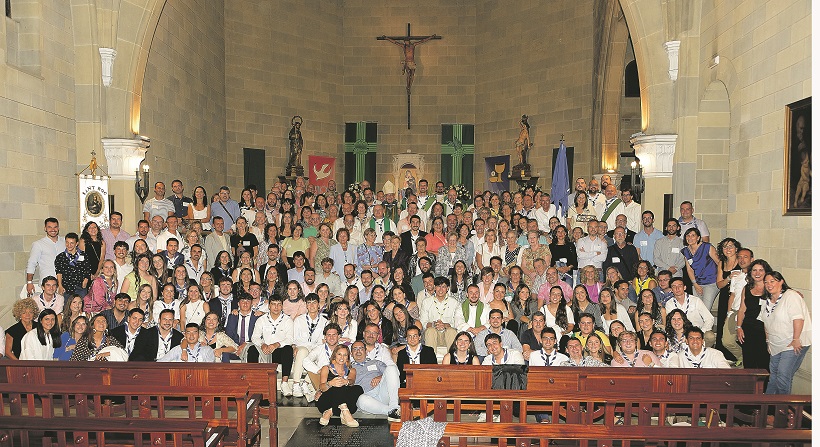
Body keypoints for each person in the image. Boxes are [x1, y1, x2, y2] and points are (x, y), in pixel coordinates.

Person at [758, 271, 812, 394]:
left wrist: (796, 339)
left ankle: (782, 408)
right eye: (766, 282)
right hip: (776, 343)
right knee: (773, 375)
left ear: (781, 281)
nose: (769, 284)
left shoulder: (791, 295)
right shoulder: (766, 300)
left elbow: (798, 318)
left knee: (783, 375)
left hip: (793, 342)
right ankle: (768, 406)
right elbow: (766, 323)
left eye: (772, 281)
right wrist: (768, 341)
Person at [248, 296, 295, 395]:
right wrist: (263, 344)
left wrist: (277, 344)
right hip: (265, 351)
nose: (276, 307)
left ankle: (284, 383)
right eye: (273, 304)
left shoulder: (287, 320)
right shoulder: (261, 319)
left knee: (288, 349)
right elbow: (255, 337)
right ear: (269, 306)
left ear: (282, 306)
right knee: (252, 349)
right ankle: (253, 382)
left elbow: (290, 339)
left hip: (279, 351)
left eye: (279, 304)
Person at [736, 259, 772, 372]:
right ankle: (750, 388)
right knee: (749, 361)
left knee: (763, 362)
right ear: (750, 272)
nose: (757, 273)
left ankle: (763, 389)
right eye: (754, 270)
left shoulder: (771, 288)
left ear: (766, 272)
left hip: (765, 330)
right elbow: (742, 309)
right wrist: (739, 327)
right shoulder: (746, 288)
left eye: (761, 270)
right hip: (749, 328)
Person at [316, 344, 363, 427]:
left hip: (344, 404)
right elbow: (322, 388)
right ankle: (345, 412)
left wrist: (346, 382)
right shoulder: (326, 368)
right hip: (327, 402)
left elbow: (352, 381)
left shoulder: (352, 370)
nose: (342, 357)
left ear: (348, 357)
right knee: (337, 385)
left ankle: (331, 411)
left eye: (345, 355)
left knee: (358, 388)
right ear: (334, 355)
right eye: (339, 354)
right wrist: (330, 383)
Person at [665, 277, 715, 346]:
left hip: (697, 330)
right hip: (679, 333)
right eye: (674, 286)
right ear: (671, 290)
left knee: (710, 336)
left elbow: (709, 318)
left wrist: (700, 332)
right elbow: (671, 322)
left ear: (684, 287)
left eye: (680, 286)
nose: (677, 289)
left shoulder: (695, 300)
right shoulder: (669, 303)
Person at [714, 237, 741, 362]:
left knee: (734, 326)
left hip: (739, 298)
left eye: (730, 246)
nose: (728, 249)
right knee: (723, 325)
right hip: (725, 296)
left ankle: (738, 356)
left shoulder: (741, 261)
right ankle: (724, 356)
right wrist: (729, 278)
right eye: (725, 246)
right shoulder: (721, 263)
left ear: (736, 248)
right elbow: (719, 284)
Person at [55, 232, 92, 298]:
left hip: (80, 287)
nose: (69, 245)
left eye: (72, 243)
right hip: (66, 287)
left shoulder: (83, 255)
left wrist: (86, 280)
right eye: (67, 242)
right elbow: (59, 272)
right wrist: (60, 286)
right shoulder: (60, 257)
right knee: (67, 307)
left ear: (76, 243)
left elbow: (88, 269)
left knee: (80, 306)